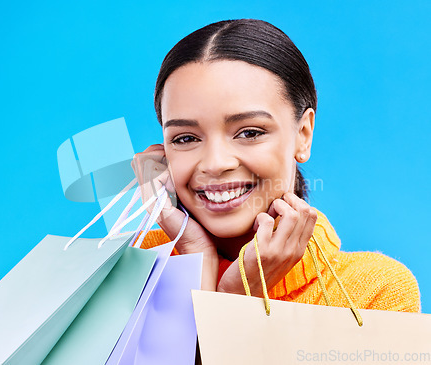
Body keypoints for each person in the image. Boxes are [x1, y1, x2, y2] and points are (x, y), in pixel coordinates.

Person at [132, 19, 420, 312]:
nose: (215, 163)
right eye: (186, 138)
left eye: (250, 132)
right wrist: (196, 258)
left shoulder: (374, 292)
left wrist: (237, 297)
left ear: (303, 135)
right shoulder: (128, 275)